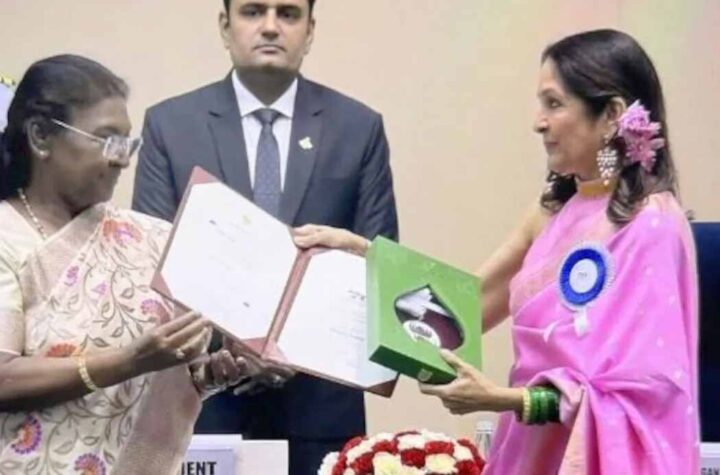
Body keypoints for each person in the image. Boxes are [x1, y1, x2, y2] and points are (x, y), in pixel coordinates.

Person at [293, 29, 699, 474]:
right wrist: (365, 255)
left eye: (554, 103)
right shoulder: (552, 210)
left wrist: (504, 399)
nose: (538, 122)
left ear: (612, 115)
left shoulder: (652, 225)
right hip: (530, 449)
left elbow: (646, 393)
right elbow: (462, 308)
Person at [131, 0, 398, 473]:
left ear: (310, 30)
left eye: (288, 14)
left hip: (319, 410)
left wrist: (292, 349)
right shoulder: (170, 125)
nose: (271, 27)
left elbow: (379, 265)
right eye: (253, 11)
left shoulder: (358, 128)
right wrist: (238, 347)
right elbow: (150, 266)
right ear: (225, 26)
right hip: (202, 404)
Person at [0, 55, 246, 475]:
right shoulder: (8, 238)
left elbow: (160, 377)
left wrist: (205, 378)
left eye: (128, 143)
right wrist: (127, 361)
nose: (123, 159)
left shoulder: (149, 237)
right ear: (40, 137)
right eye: (107, 140)